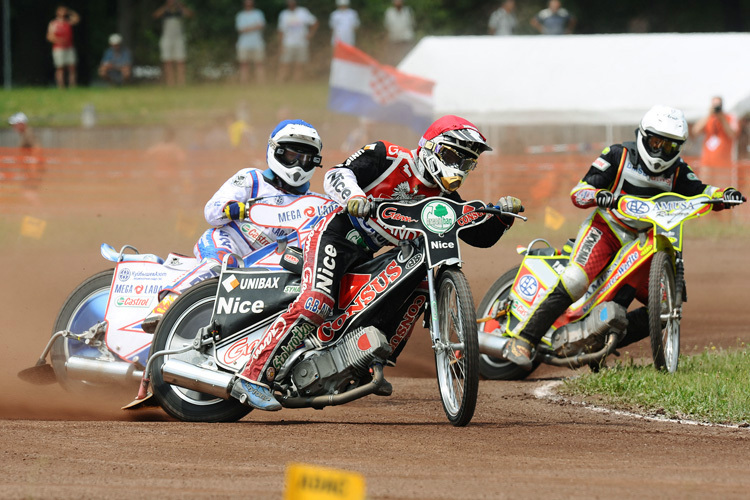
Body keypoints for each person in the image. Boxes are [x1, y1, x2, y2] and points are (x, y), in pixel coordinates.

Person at [229, 114, 524, 410]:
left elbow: (478, 236)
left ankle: (370, 358)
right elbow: (336, 174)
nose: (457, 168)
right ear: (431, 147)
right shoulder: (388, 156)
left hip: (368, 252)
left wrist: (501, 217)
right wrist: (355, 197)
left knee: (420, 280)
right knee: (316, 302)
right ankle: (253, 375)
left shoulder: (443, 196)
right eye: (452, 156)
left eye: (466, 163)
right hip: (336, 233)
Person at [502, 105, 746, 369]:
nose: (661, 151)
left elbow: (701, 190)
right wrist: (599, 195)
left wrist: (724, 194)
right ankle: (524, 339)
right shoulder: (618, 155)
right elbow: (580, 190)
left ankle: (599, 344)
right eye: (656, 142)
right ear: (643, 135)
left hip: (644, 242)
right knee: (575, 280)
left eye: (670, 146)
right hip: (606, 230)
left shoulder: (678, 171)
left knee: (664, 308)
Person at [142, 119, 324, 332]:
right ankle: (167, 304)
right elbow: (212, 211)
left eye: (306, 159)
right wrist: (233, 208)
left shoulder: (315, 203)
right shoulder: (252, 179)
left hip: (265, 266)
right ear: (277, 151)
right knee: (224, 263)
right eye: (293, 155)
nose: (298, 165)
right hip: (228, 242)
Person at [691, 96, 739, 185]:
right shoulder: (708, 118)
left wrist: (722, 118)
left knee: (722, 191)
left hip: (724, 166)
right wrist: (709, 115)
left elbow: (732, 134)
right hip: (707, 164)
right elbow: (695, 131)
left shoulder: (729, 118)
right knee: (706, 189)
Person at [276, 0, 319, 83]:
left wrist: (310, 34)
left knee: (299, 64)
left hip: (302, 43)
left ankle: (297, 82)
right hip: (287, 43)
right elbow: (281, 31)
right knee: (284, 64)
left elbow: (315, 23)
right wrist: (281, 45)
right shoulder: (284, 14)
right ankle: (280, 82)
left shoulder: (303, 12)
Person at [153, 0, 194, 86]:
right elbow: (155, 15)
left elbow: (190, 15)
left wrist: (181, 7)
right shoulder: (165, 10)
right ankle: (170, 83)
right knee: (168, 61)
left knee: (181, 61)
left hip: (179, 38)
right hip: (167, 38)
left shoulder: (180, 10)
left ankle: (181, 83)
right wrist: (167, 7)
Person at [47, 5, 80, 89]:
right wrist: (59, 40)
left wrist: (70, 12)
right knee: (60, 68)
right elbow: (49, 36)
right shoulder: (53, 23)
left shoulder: (67, 22)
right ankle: (61, 86)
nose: (63, 12)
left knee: (72, 67)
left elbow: (77, 19)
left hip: (69, 47)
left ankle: (72, 86)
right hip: (58, 48)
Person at [235, 0, 267, 84]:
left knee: (259, 64)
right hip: (243, 44)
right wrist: (254, 27)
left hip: (257, 43)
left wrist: (247, 28)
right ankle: (244, 82)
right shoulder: (240, 15)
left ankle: (261, 82)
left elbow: (261, 26)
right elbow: (240, 30)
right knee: (244, 64)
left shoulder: (258, 13)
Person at [383, 0, 415, 65]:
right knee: (395, 58)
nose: (398, 2)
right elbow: (387, 26)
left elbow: (412, 24)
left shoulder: (408, 11)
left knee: (407, 58)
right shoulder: (389, 12)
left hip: (406, 40)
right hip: (394, 39)